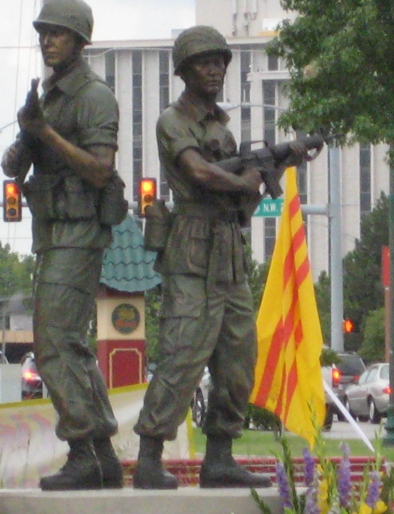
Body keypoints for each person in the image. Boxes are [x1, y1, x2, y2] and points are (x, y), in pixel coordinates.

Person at [132, 26, 310, 490]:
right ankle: (150, 457)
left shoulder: (223, 131)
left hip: (229, 255)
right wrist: (243, 180)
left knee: (238, 361)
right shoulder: (173, 121)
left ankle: (220, 457)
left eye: (219, 63)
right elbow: (197, 171)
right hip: (191, 252)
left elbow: (241, 199)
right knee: (182, 357)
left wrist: (277, 165)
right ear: (184, 70)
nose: (214, 71)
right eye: (204, 63)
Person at [1, 0, 127, 491]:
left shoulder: (94, 97)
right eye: (44, 33)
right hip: (52, 234)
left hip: (80, 230)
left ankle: (82, 450)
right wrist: (25, 140)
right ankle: (100, 456)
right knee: (68, 344)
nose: (47, 40)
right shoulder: (48, 97)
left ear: (80, 40)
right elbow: (18, 164)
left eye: (57, 33)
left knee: (53, 343)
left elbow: (100, 169)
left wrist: (44, 133)